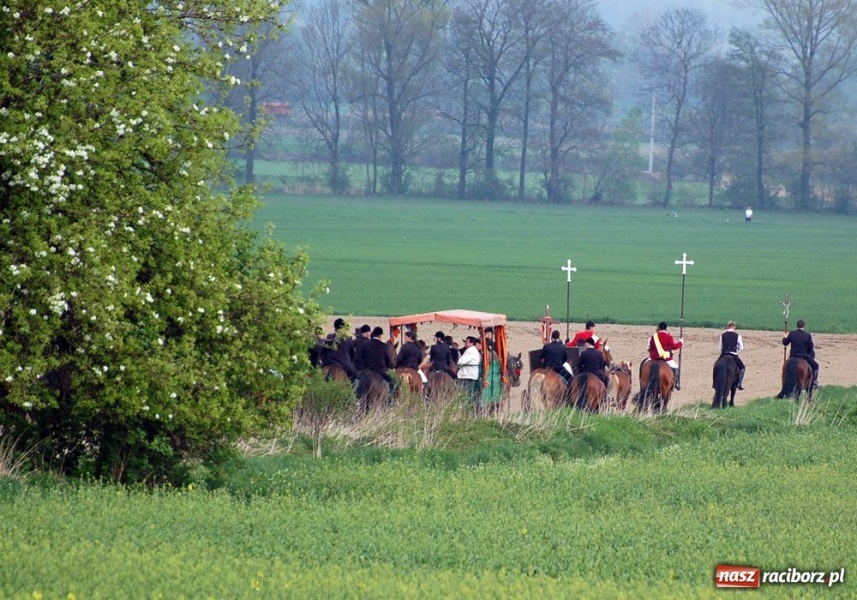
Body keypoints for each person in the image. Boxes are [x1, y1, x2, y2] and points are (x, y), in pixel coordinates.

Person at [783, 319, 820, 389]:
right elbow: (811, 348)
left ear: (797, 326)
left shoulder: (792, 333)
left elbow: (785, 343)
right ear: (804, 326)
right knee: (816, 366)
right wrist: (809, 354)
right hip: (804, 356)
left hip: (793, 356)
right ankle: (814, 383)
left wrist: (784, 337)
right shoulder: (807, 335)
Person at [646, 321, 683, 389]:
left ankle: (642, 381)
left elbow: (650, 348)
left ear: (659, 327)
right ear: (666, 328)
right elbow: (674, 347)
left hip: (653, 358)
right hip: (666, 359)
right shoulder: (669, 337)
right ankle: (676, 384)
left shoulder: (653, 337)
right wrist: (680, 342)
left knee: (644, 364)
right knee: (676, 367)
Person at [719, 320, 745, 390]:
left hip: (724, 354)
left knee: (716, 365)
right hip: (733, 355)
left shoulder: (722, 335)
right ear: (734, 327)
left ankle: (715, 382)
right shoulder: (737, 336)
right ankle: (739, 383)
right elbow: (741, 347)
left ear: (728, 326)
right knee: (742, 367)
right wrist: (736, 351)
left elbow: (720, 347)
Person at [457, 336, 482, 403]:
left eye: (467, 342)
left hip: (467, 376)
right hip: (474, 375)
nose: (465, 343)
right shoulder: (475, 351)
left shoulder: (469, 351)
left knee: (464, 394)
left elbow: (460, 362)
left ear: (471, 343)